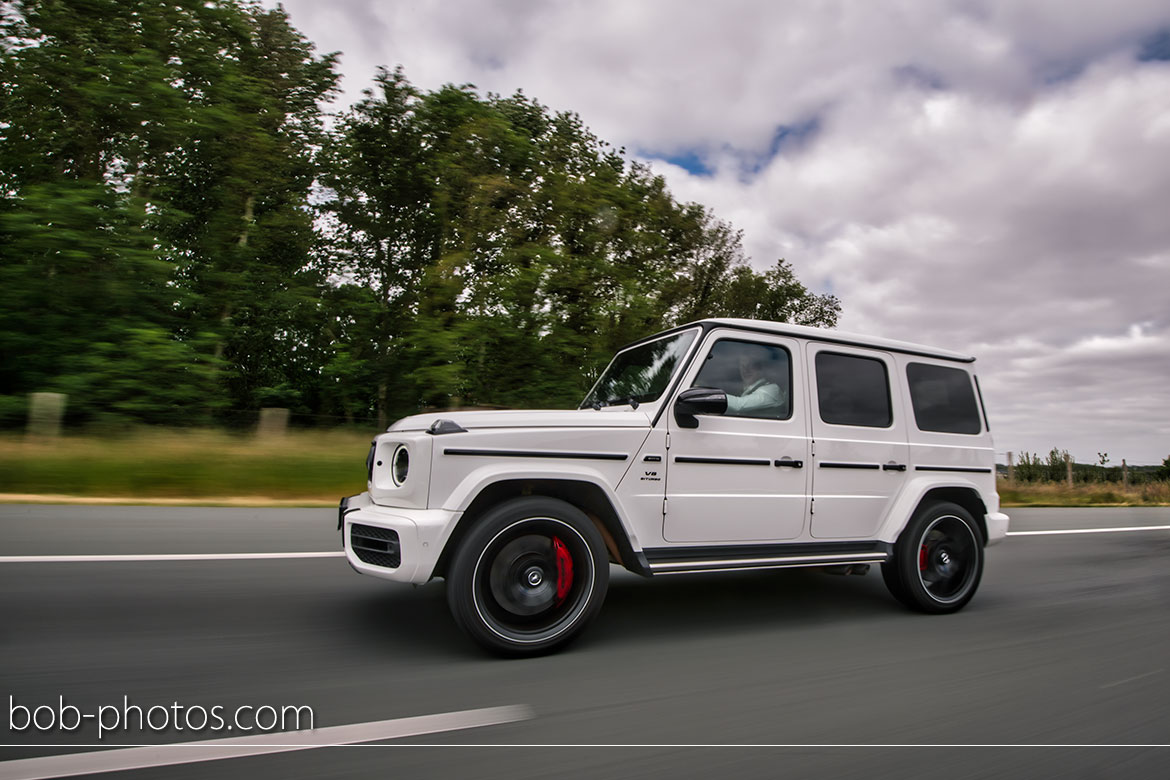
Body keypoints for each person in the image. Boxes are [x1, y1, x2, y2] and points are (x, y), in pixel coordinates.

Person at [725, 351, 786, 417]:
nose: (745, 370)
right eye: (742, 366)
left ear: (761, 369)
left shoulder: (772, 390)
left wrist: (716, 396)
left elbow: (739, 405)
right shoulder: (746, 388)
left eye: (750, 366)